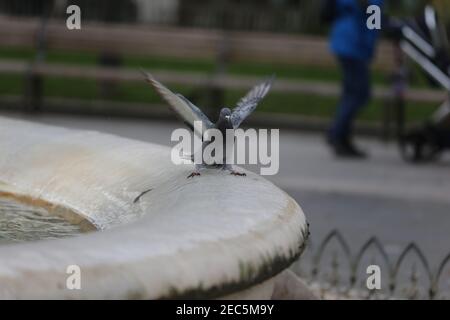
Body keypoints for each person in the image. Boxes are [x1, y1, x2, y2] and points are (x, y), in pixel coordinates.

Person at [327, 0, 384, 158]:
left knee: (351, 92)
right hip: (355, 44)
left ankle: (342, 136)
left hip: (342, 38)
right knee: (359, 93)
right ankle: (337, 133)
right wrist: (369, 49)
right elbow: (374, 19)